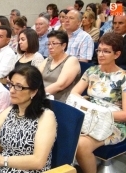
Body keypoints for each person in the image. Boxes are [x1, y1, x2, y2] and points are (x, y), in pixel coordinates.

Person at [71, 32, 126, 173]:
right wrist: (88, 106)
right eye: (99, 50)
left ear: (117, 54)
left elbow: (124, 115)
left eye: (106, 51)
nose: (100, 54)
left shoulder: (123, 78)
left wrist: (98, 113)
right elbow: (74, 93)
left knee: (81, 145)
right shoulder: (92, 71)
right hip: (89, 117)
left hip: (113, 123)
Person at [39, 30, 80, 102]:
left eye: (54, 43)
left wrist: (38, 95)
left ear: (63, 45)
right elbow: (35, 78)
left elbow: (60, 85)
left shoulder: (71, 60)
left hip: (59, 101)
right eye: (48, 44)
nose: (50, 47)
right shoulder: (48, 60)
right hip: (41, 98)